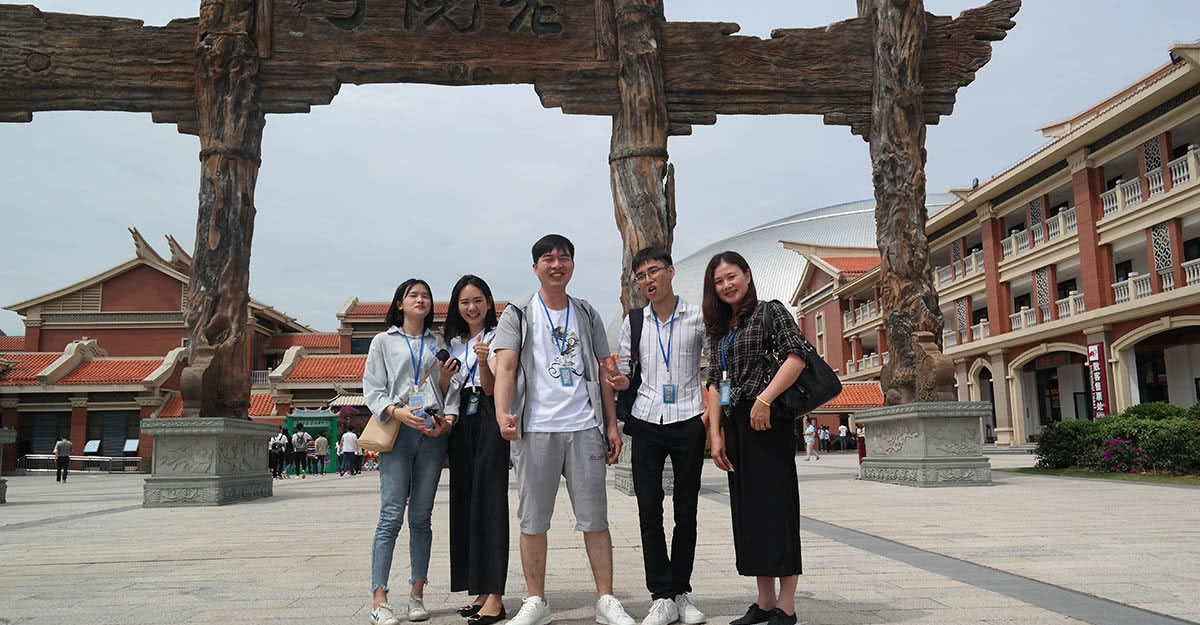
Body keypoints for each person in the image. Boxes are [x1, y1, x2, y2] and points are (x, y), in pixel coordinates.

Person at [491, 234, 635, 625]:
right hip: (536, 428)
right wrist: (503, 412)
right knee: (533, 520)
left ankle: (606, 599)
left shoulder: (586, 312)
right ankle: (536, 600)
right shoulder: (519, 313)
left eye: (564, 257)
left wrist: (611, 424)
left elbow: (604, 372)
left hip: (584, 426)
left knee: (595, 517)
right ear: (535, 267)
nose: (557, 264)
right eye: (548, 258)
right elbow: (506, 367)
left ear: (572, 264)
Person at [605, 248, 708, 625]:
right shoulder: (634, 322)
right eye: (641, 276)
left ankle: (681, 592)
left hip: (688, 418)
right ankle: (661, 595)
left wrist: (711, 418)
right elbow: (627, 373)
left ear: (671, 272)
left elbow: (715, 366)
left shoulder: (697, 317)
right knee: (649, 509)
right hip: (646, 420)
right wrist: (620, 381)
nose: (648, 280)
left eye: (654, 271)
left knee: (686, 509)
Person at [703, 251, 805, 625]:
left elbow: (796, 357)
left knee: (777, 510)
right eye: (718, 281)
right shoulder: (720, 330)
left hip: (768, 422)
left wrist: (765, 400)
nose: (726, 285)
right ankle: (764, 601)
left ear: (747, 275)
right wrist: (716, 433)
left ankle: (786, 605)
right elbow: (715, 383)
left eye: (732, 276)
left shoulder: (771, 311)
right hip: (736, 427)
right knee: (750, 514)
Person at [363, 278, 460, 625]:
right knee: (391, 515)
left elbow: (450, 388)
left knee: (421, 516)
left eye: (426, 296)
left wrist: (448, 417)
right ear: (400, 304)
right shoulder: (383, 341)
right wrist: (396, 411)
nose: (421, 300)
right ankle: (379, 598)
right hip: (399, 431)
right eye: (413, 295)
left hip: (432, 432)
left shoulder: (440, 343)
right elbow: (373, 388)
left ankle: (417, 593)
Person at [439, 275, 510, 625]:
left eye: (478, 300)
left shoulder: (498, 337)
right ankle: (479, 590)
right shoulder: (453, 343)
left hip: (488, 413)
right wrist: (443, 376)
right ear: (457, 306)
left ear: (489, 303)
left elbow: (493, 388)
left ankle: (495, 595)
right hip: (460, 419)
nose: (472, 307)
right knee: (465, 501)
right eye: (465, 302)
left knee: (490, 500)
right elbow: (447, 390)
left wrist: (483, 361)